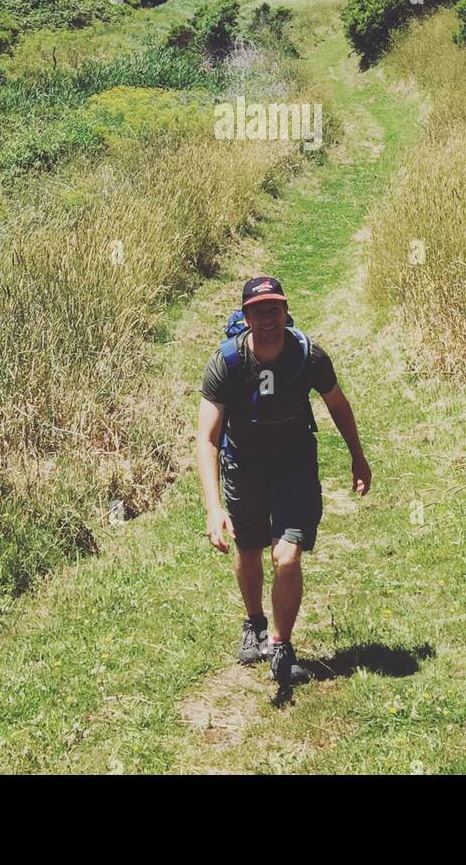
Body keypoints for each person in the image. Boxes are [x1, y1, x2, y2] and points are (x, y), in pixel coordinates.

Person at [196, 275, 371, 689]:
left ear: (286, 310)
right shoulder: (227, 362)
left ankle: (281, 645)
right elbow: (206, 438)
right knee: (249, 547)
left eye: (274, 308)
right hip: (244, 467)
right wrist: (213, 507)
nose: (268, 317)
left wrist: (358, 457)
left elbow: (337, 405)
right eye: (258, 311)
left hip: (295, 464)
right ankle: (254, 621)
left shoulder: (308, 356)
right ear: (246, 316)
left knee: (287, 557)